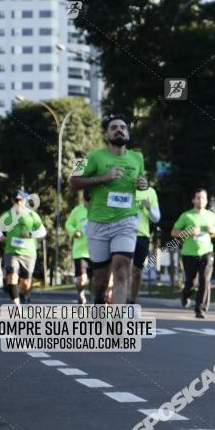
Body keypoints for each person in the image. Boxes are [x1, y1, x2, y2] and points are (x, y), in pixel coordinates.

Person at [69, 114, 148, 305]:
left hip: (126, 221)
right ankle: (98, 301)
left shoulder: (138, 158)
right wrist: (102, 178)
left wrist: (144, 184)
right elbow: (73, 181)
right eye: (114, 127)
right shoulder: (94, 156)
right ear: (107, 135)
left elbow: (141, 181)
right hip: (98, 223)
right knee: (100, 280)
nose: (119, 129)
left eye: (123, 127)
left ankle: (118, 321)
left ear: (128, 134)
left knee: (121, 270)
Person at [172, 188, 215, 319]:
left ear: (206, 200)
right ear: (193, 200)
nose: (201, 200)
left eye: (203, 198)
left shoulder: (211, 216)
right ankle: (185, 294)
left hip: (206, 252)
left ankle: (200, 309)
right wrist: (186, 233)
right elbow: (174, 232)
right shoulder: (186, 215)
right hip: (189, 254)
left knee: (204, 280)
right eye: (198, 197)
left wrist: (213, 231)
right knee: (191, 282)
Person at [0, 191, 46, 305]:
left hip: (29, 252)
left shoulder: (32, 215)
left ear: (25, 200)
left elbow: (42, 231)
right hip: (11, 251)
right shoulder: (6, 215)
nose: (18, 202)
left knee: (26, 282)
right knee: (12, 276)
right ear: (12, 201)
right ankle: (16, 304)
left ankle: (24, 295)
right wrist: (0, 237)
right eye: (16, 200)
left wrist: (30, 235)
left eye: (21, 200)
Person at [129, 181, 161, 304]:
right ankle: (121, 300)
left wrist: (149, 208)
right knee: (123, 268)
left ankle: (131, 300)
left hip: (142, 236)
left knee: (136, 272)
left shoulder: (150, 192)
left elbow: (156, 218)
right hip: (124, 234)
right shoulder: (124, 188)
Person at [65, 190, 92, 304]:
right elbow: (68, 224)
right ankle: (80, 294)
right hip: (80, 251)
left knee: (94, 280)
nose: (89, 204)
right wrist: (74, 231)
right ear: (83, 200)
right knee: (82, 279)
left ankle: (94, 298)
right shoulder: (77, 211)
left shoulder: (98, 209)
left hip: (96, 250)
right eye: (87, 201)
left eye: (91, 201)